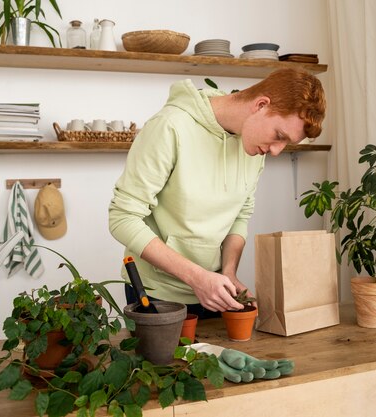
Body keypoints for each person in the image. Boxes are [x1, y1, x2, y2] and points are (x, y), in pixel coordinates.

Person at [109, 68, 326, 319]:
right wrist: (197, 277)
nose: (277, 151)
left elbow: (240, 216)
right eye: (279, 136)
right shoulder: (170, 127)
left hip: (214, 292)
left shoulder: (254, 146)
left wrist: (228, 271)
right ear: (261, 105)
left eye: (286, 143)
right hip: (158, 295)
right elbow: (122, 218)